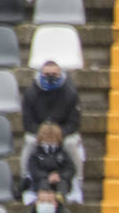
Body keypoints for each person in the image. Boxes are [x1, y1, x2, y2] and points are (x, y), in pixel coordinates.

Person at [21, 61, 85, 204]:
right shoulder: (31, 94)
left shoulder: (70, 94)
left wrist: (57, 134)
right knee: (30, 142)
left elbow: (74, 122)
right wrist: (44, 134)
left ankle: (76, 183)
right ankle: (27, 180)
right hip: (39, 133)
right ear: (41, 74)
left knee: (71, 143)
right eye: (47, 74)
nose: (50, 77)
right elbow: (27, 122)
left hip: (63, 133)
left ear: (61, 74)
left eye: (54, 74)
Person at [24, 123, 76, 205]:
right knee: (43, 182)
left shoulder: (63, 154)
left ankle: (60, 197)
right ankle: (45, 199)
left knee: (63, 183)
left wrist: (60, 175)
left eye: (53, 141)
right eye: (46, 141)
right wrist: (47, 176)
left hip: (59, 179)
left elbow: (70, 169)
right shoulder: (36, 155)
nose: (49, 144)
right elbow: (33, 170)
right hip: (42, 181)